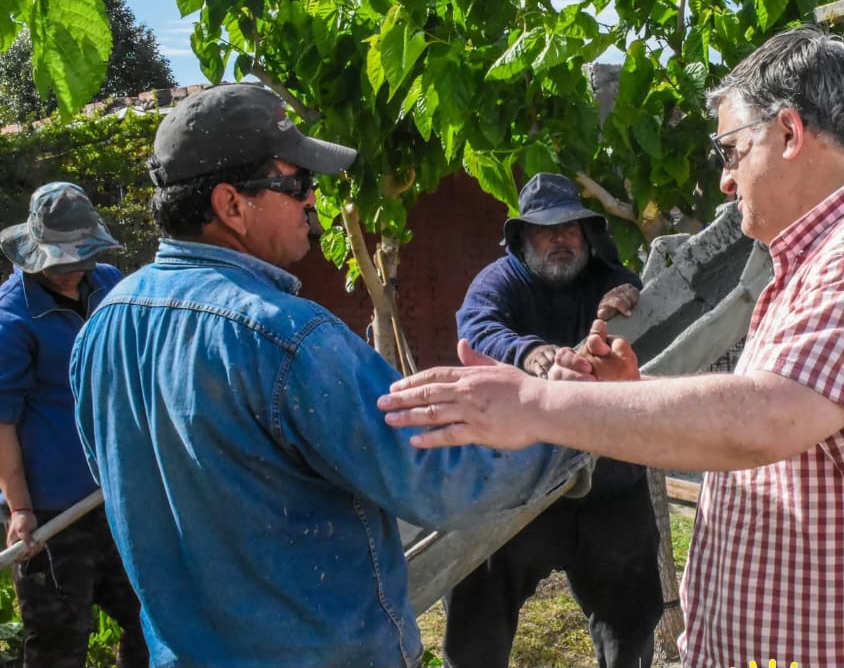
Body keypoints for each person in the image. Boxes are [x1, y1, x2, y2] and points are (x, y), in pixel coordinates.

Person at [380, 26, 844, 668]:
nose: (727, 182)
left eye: (731, 152)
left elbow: (769, 417)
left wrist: (534, 404)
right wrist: (632, 396)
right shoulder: (829, 257)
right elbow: (787, 416)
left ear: (789, 134)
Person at [68, 83, 583, 668]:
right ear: (230, 205)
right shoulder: (287, 338)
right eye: (295, 184)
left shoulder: (101, 331)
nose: (313, 199)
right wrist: (569, 420)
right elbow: (440, 480)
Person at [445, 172, 662, 668]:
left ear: (587, 237)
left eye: (570, 229)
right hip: (522, 484)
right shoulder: (498, 281)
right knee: (477, 617)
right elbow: (477, 327)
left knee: (630, 622)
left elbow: (630, 289)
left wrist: (627, 292)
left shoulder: (606, 278)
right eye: (545, 230)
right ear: (521, 240)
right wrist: (532, 353)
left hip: (608, 482)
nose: (560, 238)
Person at [0, 182, 148, 668]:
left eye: (82, 259)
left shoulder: (107, 283)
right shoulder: (11, 320)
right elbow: (3, 423)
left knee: (150, 617)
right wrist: (21, 507)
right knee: (61, 641)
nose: (74, 272)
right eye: (63, 263)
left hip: (115, 493)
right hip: (53, 512)